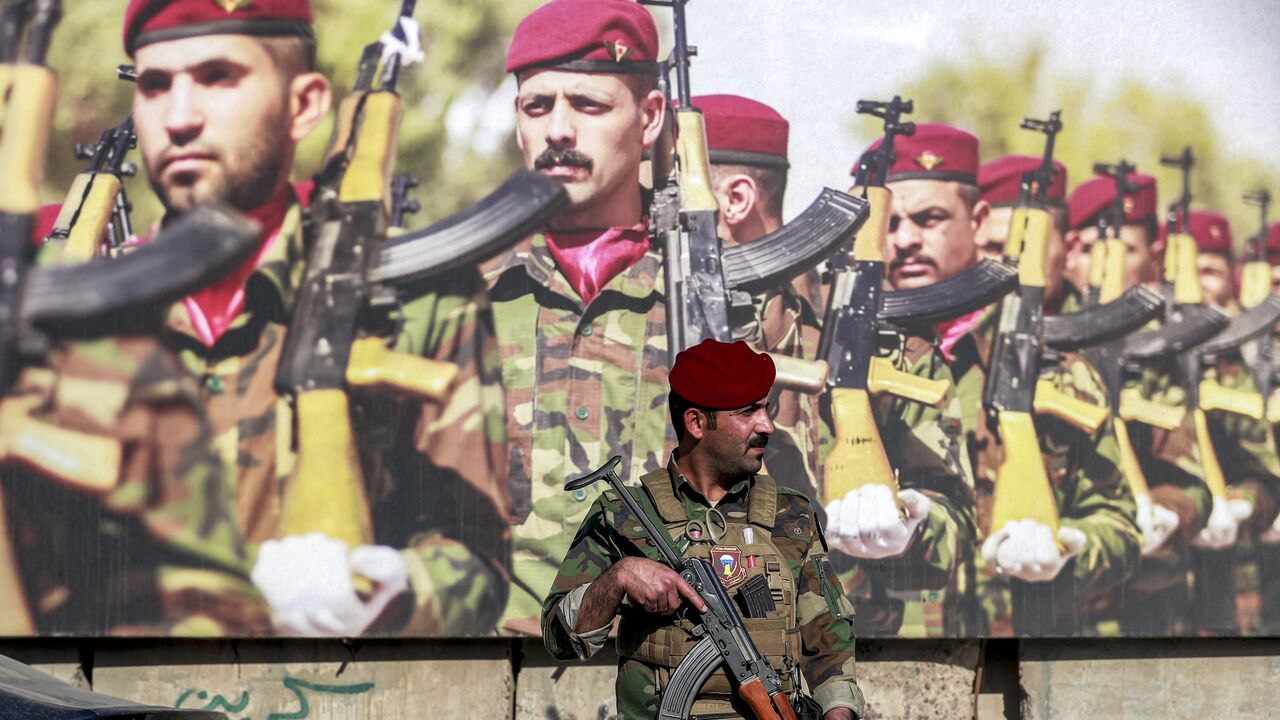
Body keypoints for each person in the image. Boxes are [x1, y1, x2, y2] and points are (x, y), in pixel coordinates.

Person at [90, 0, 509, 637]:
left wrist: (392, 591)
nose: (177, 117)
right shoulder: (84, 315)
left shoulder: (417, 301)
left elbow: (474, 562)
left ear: (305, 105)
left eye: (217, 77)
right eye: (154, 85)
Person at [488, 0, 819, 635]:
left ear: (649, 118)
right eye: (538, 106)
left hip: (684, 654)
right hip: (502, 651)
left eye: (588, 105)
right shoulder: (468, 296)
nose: (559, 128)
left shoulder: (731, 299)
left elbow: (791, 482)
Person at [696, 97, 975, 637]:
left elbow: (959, 519)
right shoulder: (647, 335)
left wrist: (914, 522)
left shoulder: (885, 345)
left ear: (735, 200)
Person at [542, 338, 865, 720]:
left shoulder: (790, 513)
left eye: (766, 407)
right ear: (696, 423)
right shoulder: (624, 515)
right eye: (748, 412)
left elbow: (829, 638)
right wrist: (619, 578)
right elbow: (558, 639)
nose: (768, 425)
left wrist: (839, 713)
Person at [952, 154, 1140, 635]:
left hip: (1049, 637)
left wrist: (1072, 545)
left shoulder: (1081, 371)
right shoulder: (951, 360)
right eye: (994, 247)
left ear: (1068, 247)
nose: (1009, 267)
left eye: (1024, 251)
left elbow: (1122, 530)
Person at [1066, 169, 1212, 634]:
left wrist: (1167, 512)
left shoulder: (1160, 355)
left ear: (1153, 258)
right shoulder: (1046, 342)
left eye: (1123, 251)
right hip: (1068, 592)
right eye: (1089, 250)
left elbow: (1195, 481)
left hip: (1147, 600)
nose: (1102, 266)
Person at [1168, 210, 1280, 634]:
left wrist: (1241, 505)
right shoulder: (1151, 365)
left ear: (1231, 277)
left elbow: (1265, 475)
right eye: (1187, 270)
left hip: (1238, 582)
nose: (1199, 283)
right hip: (1167, 584)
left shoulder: (1238, 370)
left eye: (1210, 270)